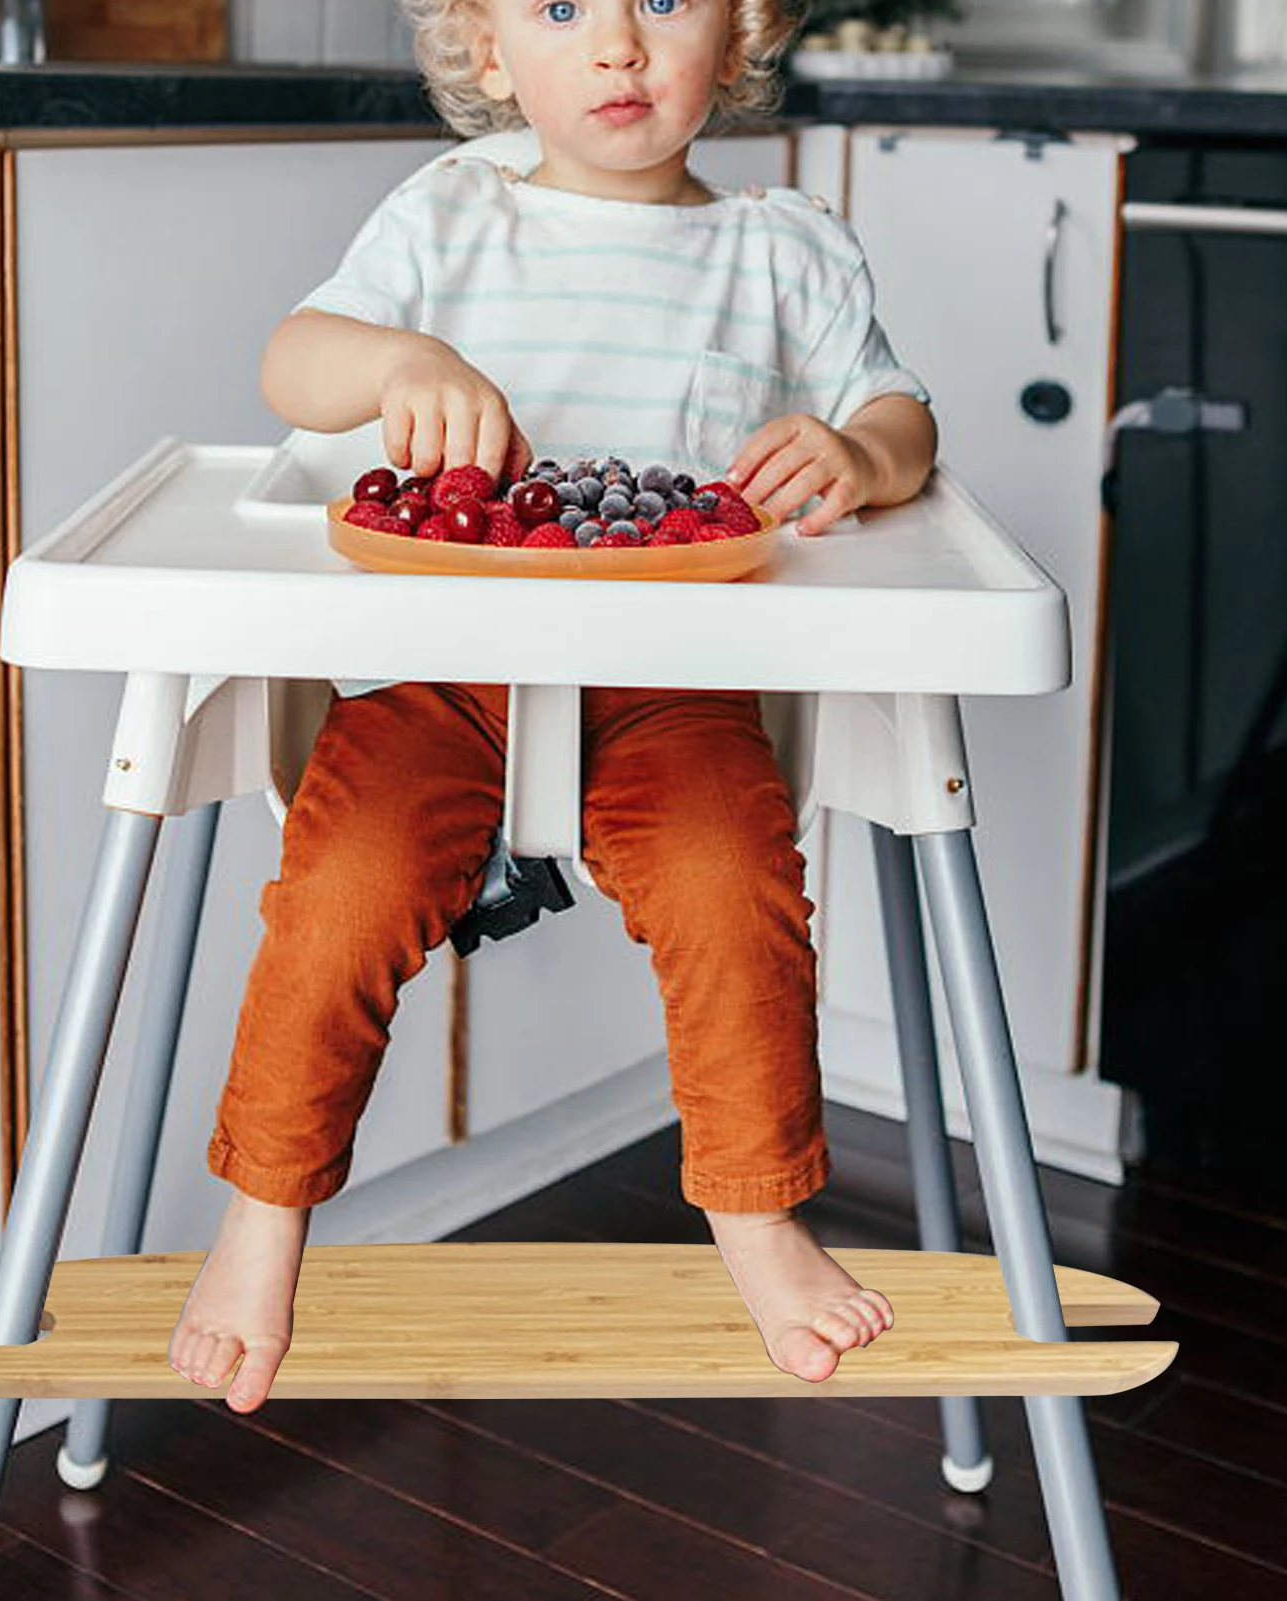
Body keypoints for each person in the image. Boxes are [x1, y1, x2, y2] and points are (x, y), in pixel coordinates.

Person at [170, 0, 938, 1414]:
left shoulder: (787, 250)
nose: (619, 47)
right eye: (564, 7)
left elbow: (901, 421)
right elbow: (291, 362)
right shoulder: (446, 219)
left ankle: (759, 1216)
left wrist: (858, 453)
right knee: (337, 889)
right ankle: (262, 1215)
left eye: (664, 2)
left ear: (745, 29)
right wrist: (399, 365)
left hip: (679, 688)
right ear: (482, 48)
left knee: (733, 890)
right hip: (440, 673)